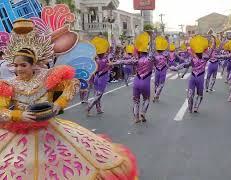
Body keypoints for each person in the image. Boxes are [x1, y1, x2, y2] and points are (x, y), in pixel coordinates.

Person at [0, 20, 138, 179]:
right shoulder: (7, 85)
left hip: (49, 133)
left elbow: (71, 86)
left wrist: (57, 105)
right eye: (15, 66)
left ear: (33, 64)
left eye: (22, 65)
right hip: (19, 136)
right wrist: (18, 116)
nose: (18, 69)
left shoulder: (47, 77)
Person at [171, 35, 213, 113]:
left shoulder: (194, 59)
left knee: (191, 93)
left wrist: (176, 68)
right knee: (199, 94)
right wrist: (212, 41)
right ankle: (195, 107)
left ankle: (190, 108)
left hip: (193, 78)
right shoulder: (205, 58)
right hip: (200, 78)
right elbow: (211, 51)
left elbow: (185, 64)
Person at [87, 36, 115, 115]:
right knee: (99, 95)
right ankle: (89, 107)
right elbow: (112, 59)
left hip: (97, 77)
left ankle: (98, 109)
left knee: (97, 94)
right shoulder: (106, 59)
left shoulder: (96, 59)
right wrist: (113, 42)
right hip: (103, 77)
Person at [153, 36, 169, 102]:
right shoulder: (166, 54)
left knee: (157, 84)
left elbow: (153, 62)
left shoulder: (155, 54)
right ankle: (156, 95)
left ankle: (156, 95)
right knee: (160, 84)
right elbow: (167, 61)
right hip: (162, 70)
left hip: (158, 70)